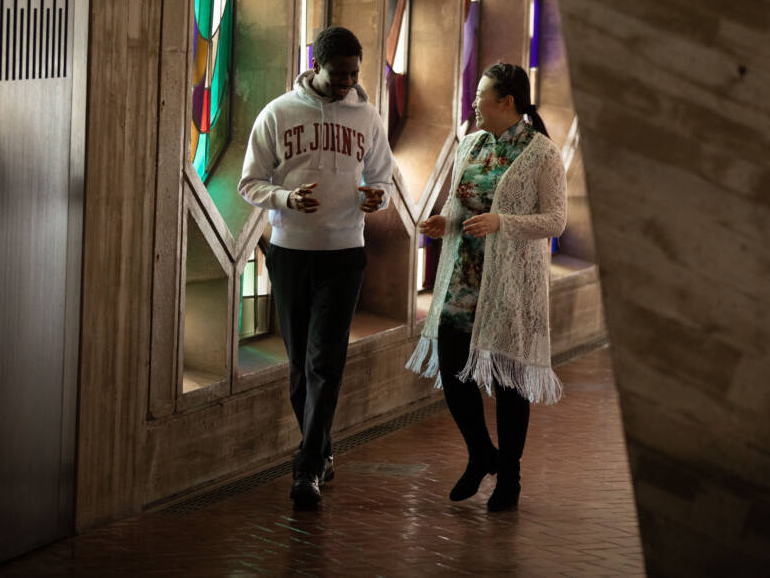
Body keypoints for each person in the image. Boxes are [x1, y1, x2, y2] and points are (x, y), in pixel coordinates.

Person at [239, 26, 394, 507]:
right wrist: (284, 197)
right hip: (289, 254)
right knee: (300, 368)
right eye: (339, 73)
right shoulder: (278, 114)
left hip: (345, 254)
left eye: (353, 74)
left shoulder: (367, 117)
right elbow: (249, 183)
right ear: (317, 65)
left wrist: (377, 196)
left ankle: (305, 470)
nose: (347, 82)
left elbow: (384, 177)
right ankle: (321, 450)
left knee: (326, 361)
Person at [407, 62, 566, 511]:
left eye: (482, 98)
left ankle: (509, 479)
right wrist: (445, 221)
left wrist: (503, 222)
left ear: (508, 102)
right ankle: (481, 454)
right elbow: (460, 201)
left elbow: (556, 220)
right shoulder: (471, 144)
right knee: (456, 373)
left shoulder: (542, 154)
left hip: (510, 287)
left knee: (510, 384)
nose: (474, 105)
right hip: (463, 280)